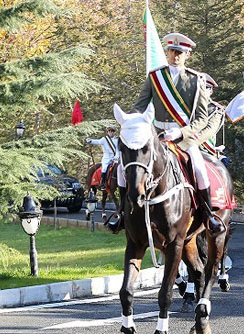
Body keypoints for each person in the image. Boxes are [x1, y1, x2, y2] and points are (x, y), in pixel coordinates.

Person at [109, 32, 222, 234]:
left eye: (179, 52)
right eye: (171, 51)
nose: (175, 56)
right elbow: (139, 107)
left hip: (183, 138)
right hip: (156, 137)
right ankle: (122, 213)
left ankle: (207, 214)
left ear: (187, 55)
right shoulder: (155, 77)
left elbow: (202, 118)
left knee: (199, 168)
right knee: (121, 168)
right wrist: (131, 123)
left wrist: (181, 132)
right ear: (167, 52)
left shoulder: (196, 80)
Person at [196, 72, 226, 160]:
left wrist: (190, 143)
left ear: (210, 91)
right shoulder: (185, 106)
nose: (200, 90)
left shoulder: (215, 109)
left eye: (204, 88)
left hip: (203, 150)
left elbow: (209, 130)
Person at [86, 126, 119, 191]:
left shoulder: (117, 140)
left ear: (114, 132)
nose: (111, 133)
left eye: (112, 131)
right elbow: (97, 142)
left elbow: (118, 150)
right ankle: (102, 183)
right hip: (107, 158)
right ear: (107, 132)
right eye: (109, 131)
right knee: (104, 169)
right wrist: (91, 141)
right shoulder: (104, 139)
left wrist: (116, 156)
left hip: (115, 158)